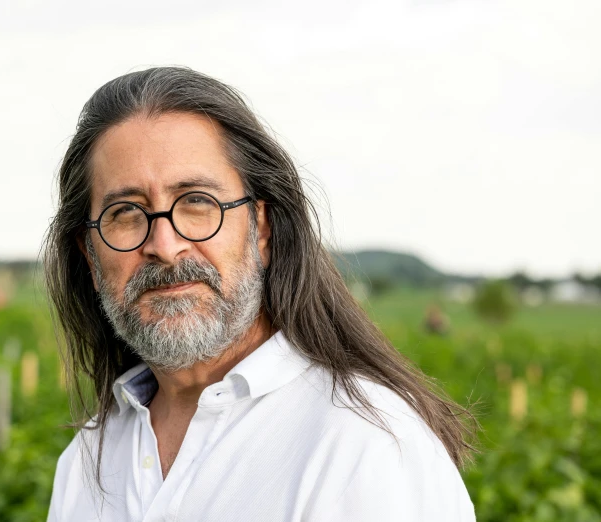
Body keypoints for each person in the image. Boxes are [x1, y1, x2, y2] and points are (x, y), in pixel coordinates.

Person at [43, 67, 478, 521]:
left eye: (197, 202)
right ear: (90, 256)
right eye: (126, 212)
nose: (165, 247)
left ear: (262, 227)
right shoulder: (87, 460)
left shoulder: (365, 448)